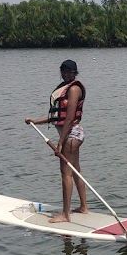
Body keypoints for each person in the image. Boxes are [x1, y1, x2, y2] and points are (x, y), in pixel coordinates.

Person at [25, 59, 89, 223]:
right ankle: (83, 207)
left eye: (69, 72)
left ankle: (65, 215)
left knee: (65, 174)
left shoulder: (74, 89)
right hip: (71, 135)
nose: (66, 74)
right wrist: (34, 120)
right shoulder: (64, 89)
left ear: (75, 73)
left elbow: (68, 118)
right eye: (64, 71)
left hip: (71, 136)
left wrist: (60, 143)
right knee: (75, 171)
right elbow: (56, 116)